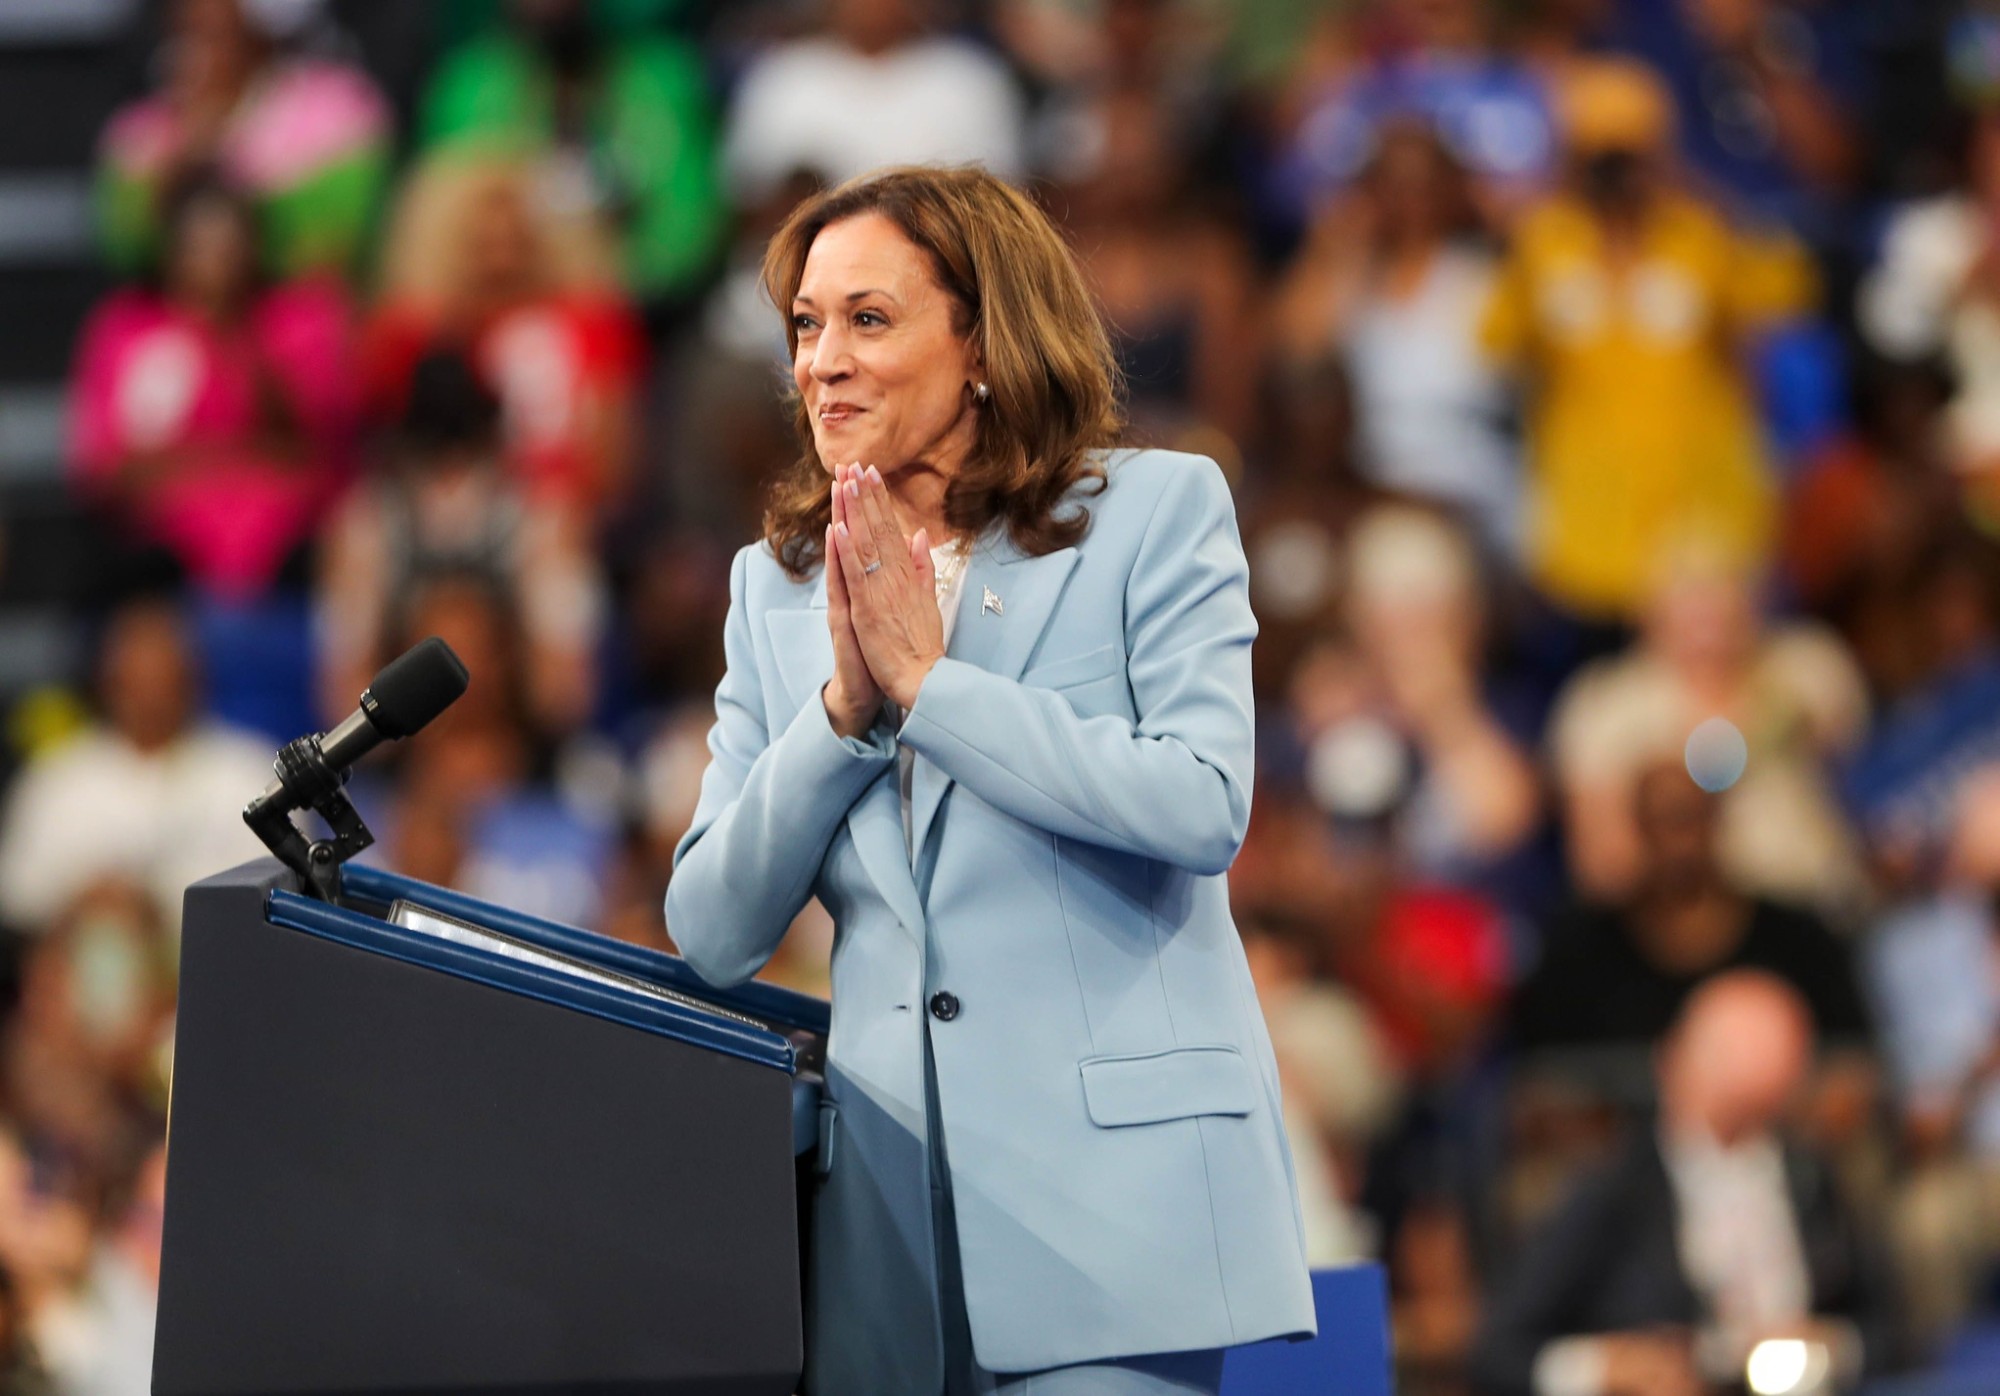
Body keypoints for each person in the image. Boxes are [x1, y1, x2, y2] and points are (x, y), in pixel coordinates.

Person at [665, 166, 1313, 1394]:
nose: (820, 362)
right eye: (805, 325)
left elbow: (1199, 801)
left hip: (1113, 1219)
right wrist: (842, 714)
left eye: (867, 319)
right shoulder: (776, 583)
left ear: (981, 343)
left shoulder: (1152, 513)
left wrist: (932, 687)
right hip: (884, 1242)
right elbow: (708, 927)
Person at [1472, 972, 1899, 1396]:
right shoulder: (1614, 1188)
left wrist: (1828, 1348)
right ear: (1672, 1063)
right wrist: (1606, 1367)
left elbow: (1891, 1329)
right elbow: (1500, 1350)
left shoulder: (1810, 1179)